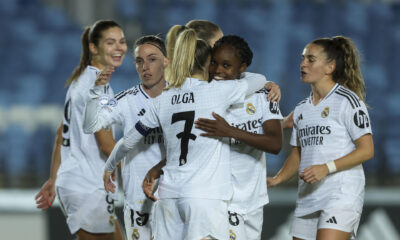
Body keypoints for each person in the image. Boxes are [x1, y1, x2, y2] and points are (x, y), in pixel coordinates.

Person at [102, 28, 269, 240]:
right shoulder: (219, 92)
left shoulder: (163, 99)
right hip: (205, 197)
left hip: (169, 196)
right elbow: (260, 79)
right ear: (208, 63)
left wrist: (108, 168)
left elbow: (127, 142)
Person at [267, 36, 374, 240]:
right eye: (302, 58)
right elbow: (298, 154)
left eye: (310, 59)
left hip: (340, 193)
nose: (303, 64)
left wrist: (326, 168)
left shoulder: (348, 101)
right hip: (308, 195)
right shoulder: (301, 109)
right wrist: (277, 179)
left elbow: (367, 150)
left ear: (329, 67)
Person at [35, 19, 126, 240]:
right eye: (110, 42)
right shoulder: (100, 87)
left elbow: (61, 134)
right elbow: (106, 144)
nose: (119, 48)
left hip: (76, 182)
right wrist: (138, 171)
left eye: (122, 42)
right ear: (94, 47)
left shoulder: (80, 79)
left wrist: (54, 178)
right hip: (88, 185)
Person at [194, 35, 283, 240]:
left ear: (242, 67)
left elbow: (275, 143)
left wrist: (230, 131)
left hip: (253, 198)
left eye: (226, 65)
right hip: (222, 198)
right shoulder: (206, 94)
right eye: (214, 62)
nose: (217, 70)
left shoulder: (263, 95)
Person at [83, 35, 169, 240]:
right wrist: (95, 93)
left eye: (152, 59)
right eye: (139, 61)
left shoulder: (182, 97)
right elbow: (90, 125)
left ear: (166, 61)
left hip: (174, 195)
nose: (145, 67)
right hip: (138, 200)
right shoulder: (125, 100)